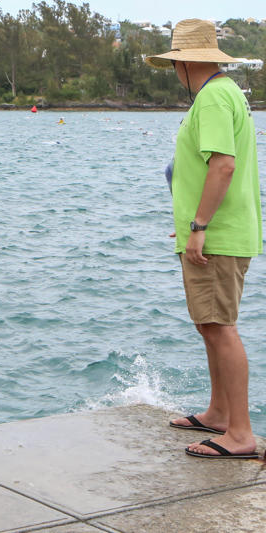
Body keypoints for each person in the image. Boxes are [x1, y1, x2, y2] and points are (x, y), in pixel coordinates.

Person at [146, 19, 261, 459]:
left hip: (217, 235)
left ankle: (240, 433)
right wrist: (192, 222)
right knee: (209, 323)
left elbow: (223, 165)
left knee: (219, 326)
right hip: (216, 230)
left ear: (184, 62)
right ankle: (219, 413)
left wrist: (200, 225)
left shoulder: (212, 97)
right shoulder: (225, 92)